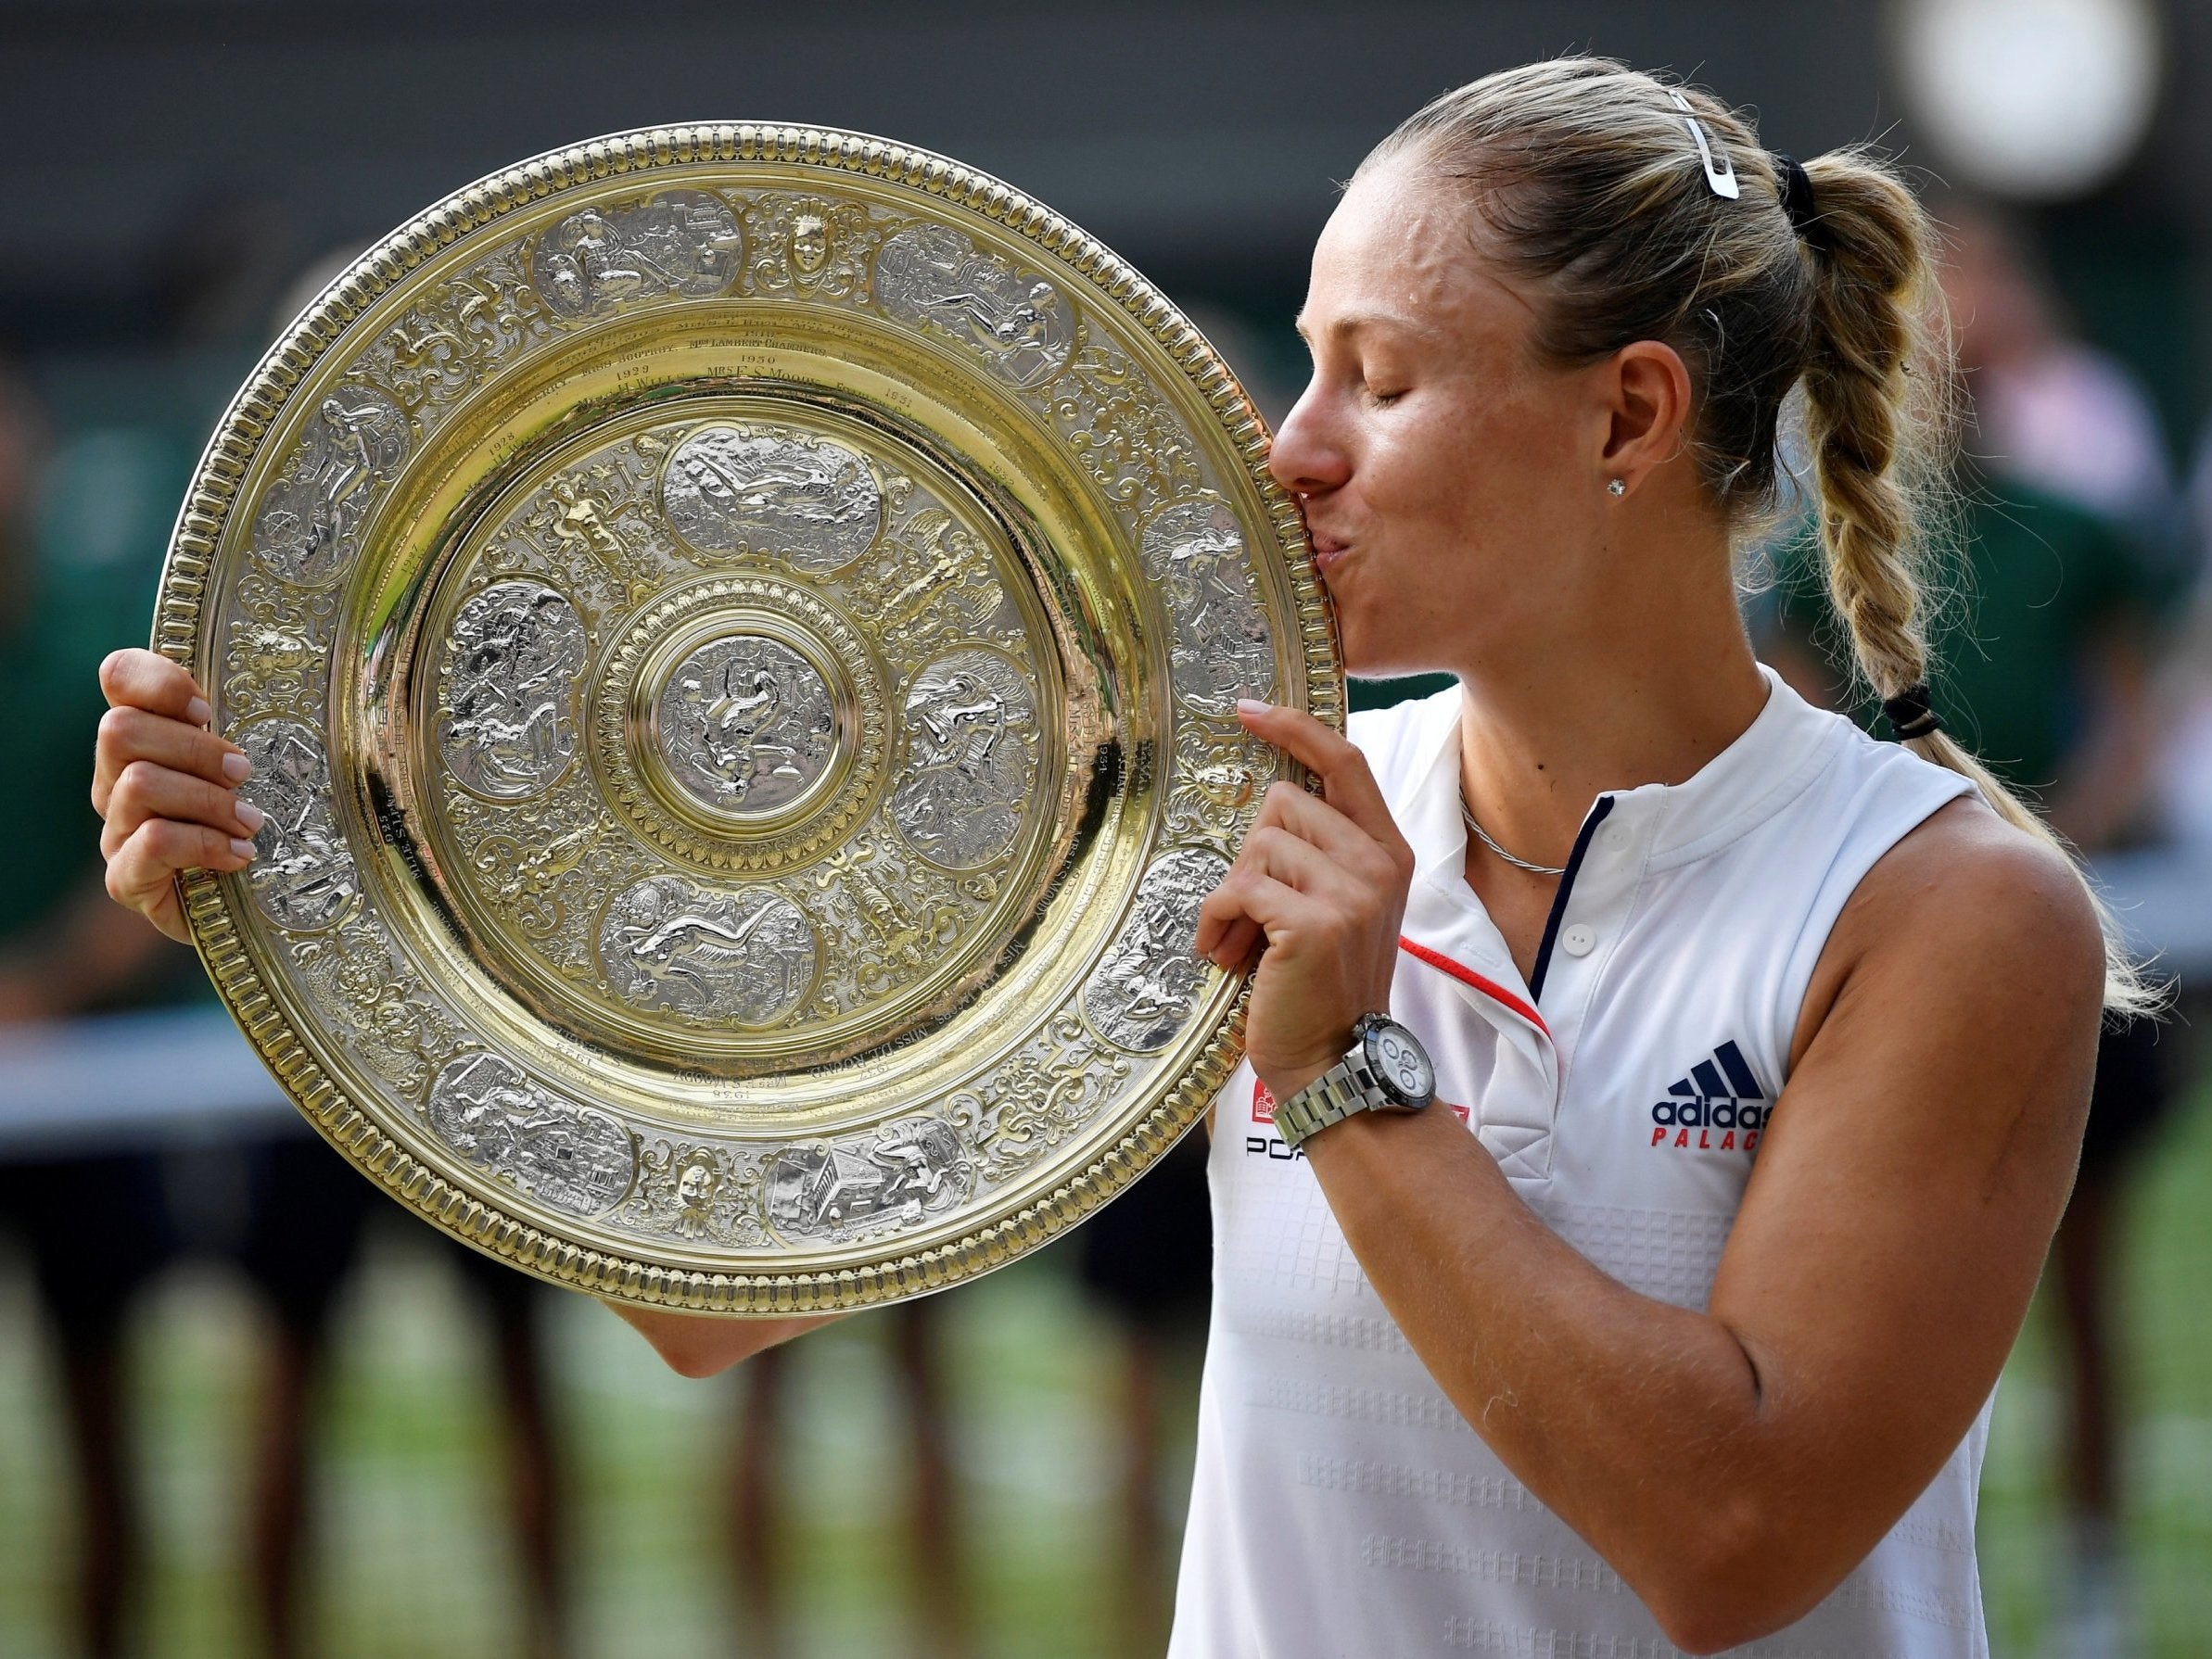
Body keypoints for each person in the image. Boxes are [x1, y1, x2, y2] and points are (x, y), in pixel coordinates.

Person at [90, 57, 2138, 1656]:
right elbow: (710, 1304)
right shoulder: (1238, 802)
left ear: (1624, 420)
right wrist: (312, 903)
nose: (1289, 446)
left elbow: (1728, 1538)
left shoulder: (1947, 911)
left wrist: (1342, 1082)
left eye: (1379, 377)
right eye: (1308, 363)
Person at [1767, 205, 2187, 1659]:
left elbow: (2138, 706)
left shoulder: (2076, 525)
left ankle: (2087, 1572)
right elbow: (1798, 714)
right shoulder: (1819, 541)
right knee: (1904, 1313)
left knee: (2084, 1283)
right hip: (1887, 951)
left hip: (2070, 917)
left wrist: (2046, 835)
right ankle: (1949, 1568)